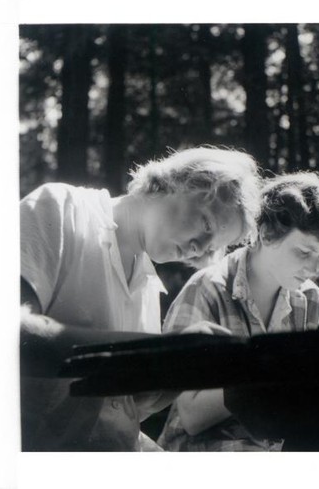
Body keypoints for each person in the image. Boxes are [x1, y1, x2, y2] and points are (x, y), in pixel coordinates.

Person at [20, 146, 262, 451]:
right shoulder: (61, 207)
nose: (199, 248)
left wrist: (179, 373)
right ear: (178, 182)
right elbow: (12, 335)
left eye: (212, 247)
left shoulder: (149, 286)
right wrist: (159, 351)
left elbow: (128, 408)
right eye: (207, 224)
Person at [157, 171, 319, 451]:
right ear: (266, 233)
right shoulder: (207, 288)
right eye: (303, 252)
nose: (313, 269)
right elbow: (190, 416)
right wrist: (271, 367)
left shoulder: (309, 299)